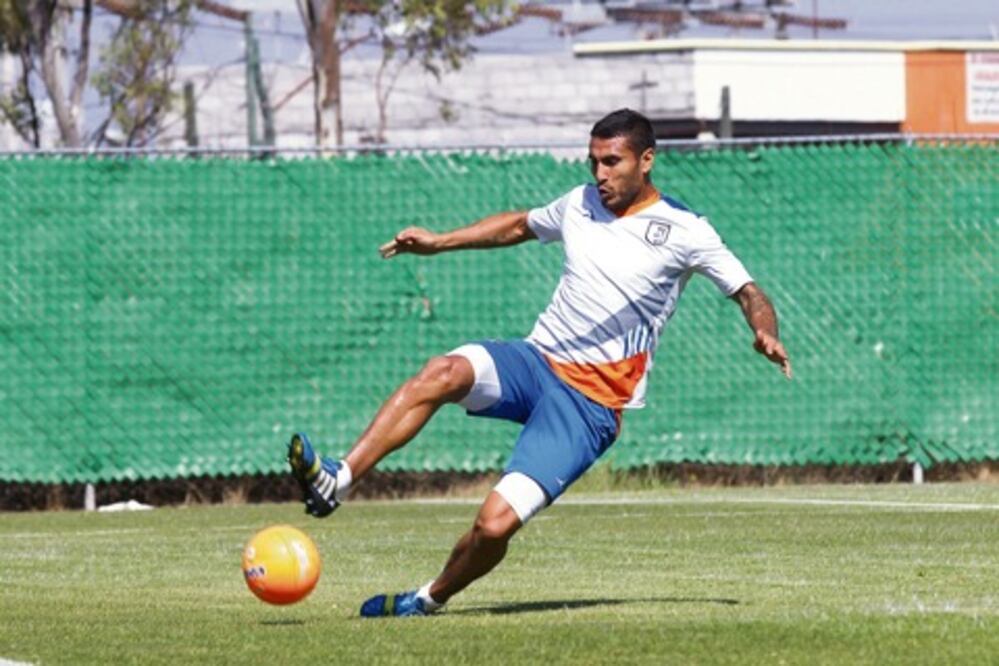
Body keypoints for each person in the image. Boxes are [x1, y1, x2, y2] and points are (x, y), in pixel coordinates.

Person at [287, 108, 792, 617]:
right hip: (535, 362)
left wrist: (763, 329)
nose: (600, 174)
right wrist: (441, 242)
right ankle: (339, 480)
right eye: (593, 161)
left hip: (588, 406)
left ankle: (427, 598)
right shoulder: (580, 202)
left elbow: (749, 291)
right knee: (442, 371)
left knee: (494, 525)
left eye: (612, 162)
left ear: (646, 160)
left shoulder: (685, 229)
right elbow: (519, 226)